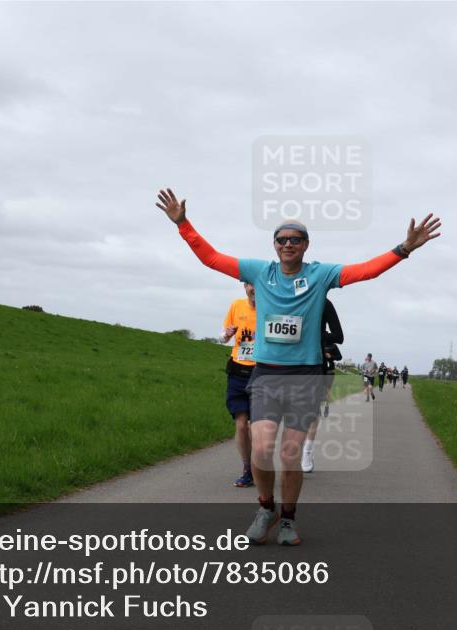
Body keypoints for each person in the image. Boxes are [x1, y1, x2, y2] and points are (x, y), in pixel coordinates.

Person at [157, 188, 441, 546]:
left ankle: (288, 519)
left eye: (296, 239)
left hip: (304, 377)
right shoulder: (259, 272)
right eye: (282, 239)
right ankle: (266, 508)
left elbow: (366, 271)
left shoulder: (321, 275)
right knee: (261, 449)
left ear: (306, 245)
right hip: (266, 374)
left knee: (290, 454)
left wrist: (404, 249)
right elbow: (211, 258)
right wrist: (183, 223)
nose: (288, 244)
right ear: (274, 245)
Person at [220, 282, 257, 488]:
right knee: (241, 425)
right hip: (237, 372)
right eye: (251, 285)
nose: (254, 290)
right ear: (245, 286)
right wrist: (226, 334)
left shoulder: (270, 309)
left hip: (261, 374)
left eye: (258, 286)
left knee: (256, 426)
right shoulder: (236, 306)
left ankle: (260, 465)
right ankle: (247, 469)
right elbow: (224, 336)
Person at [302, 298, 343, 473]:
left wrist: (314, 334)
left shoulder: (324, 303)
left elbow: (338, 337)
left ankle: (307, 451)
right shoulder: (284, 295)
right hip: (286, 363)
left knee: (311, 413)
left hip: (315, 366)